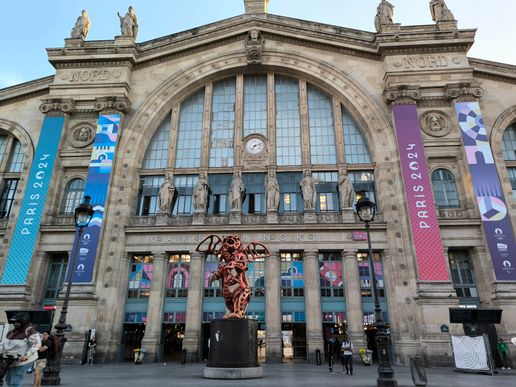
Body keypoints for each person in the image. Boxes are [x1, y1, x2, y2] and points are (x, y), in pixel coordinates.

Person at [0, 312, 41, 387]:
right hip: (10, 360)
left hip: (23, 360)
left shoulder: (30, 331)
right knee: (8, 380)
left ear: (24, 322)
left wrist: (27, 355)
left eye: (18, 322)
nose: (16, 324)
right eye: (15, 322)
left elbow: (37, 344)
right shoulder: (11, 332)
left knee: (15, 381)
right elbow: (4, 345)